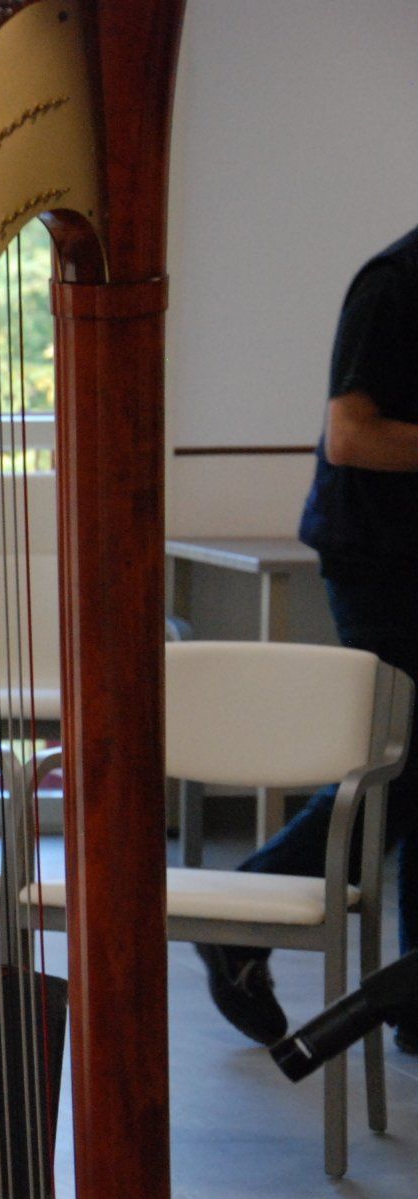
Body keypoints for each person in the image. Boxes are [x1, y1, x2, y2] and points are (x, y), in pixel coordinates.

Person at [198, 223, 418, 1057]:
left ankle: (411, 1003)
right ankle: (242, 907)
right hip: (378, 560)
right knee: (403, 763)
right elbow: (352, 435)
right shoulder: (394, 284)